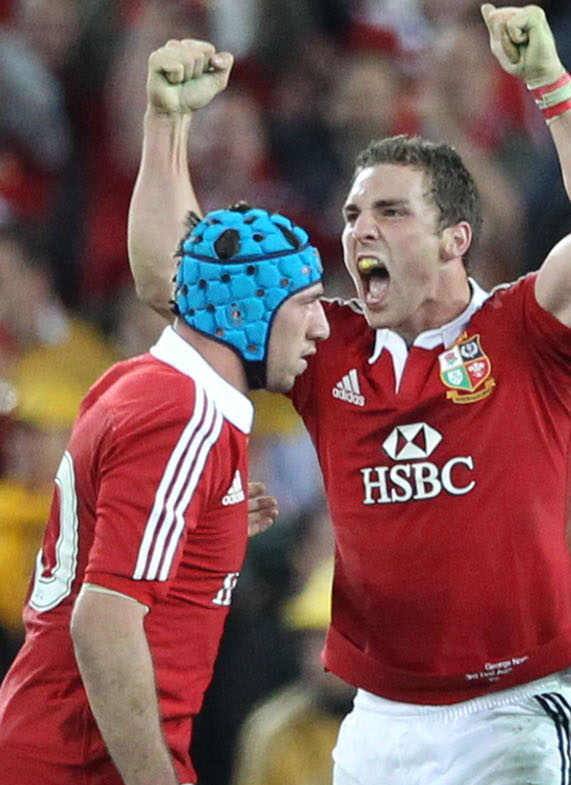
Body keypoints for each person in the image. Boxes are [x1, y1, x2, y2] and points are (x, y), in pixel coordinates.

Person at [128, 8, 571, 783]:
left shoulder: (523, 332)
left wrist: (547, 80)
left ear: (455, 238)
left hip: (509, 712)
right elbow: (169, 282)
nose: (360, 230)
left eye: (391, 211)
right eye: (352, 213)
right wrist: (165, 124)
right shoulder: (323, 342)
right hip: (376, 721)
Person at [0, 204, 328, 785]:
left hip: (56, 742)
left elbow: (103, 553)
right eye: (304, 303)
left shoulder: (136, 382)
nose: (321, 327)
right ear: (242, 311)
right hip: (85, 764)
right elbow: (103, 621)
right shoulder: (184, 414)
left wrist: (203, 528)